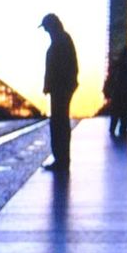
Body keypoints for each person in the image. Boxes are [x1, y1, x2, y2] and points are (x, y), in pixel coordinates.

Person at [39, 13, 79, 172]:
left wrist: (55, 85)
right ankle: (61, 159)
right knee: (59, 123)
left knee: (59, 123)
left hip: (60, 89)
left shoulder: (61, 41)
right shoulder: (61, 39)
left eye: (46, 27)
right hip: (60, 88)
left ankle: (61, 160)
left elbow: (62, 68)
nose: (46, 31)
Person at [104, 47, 127, 140]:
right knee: (124, 115)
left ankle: (114, 129)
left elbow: (110, 79)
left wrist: (108, 91)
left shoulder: (117, 65)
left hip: (118, 94)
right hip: (125, 94)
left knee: (116, 114)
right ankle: (121, 130)